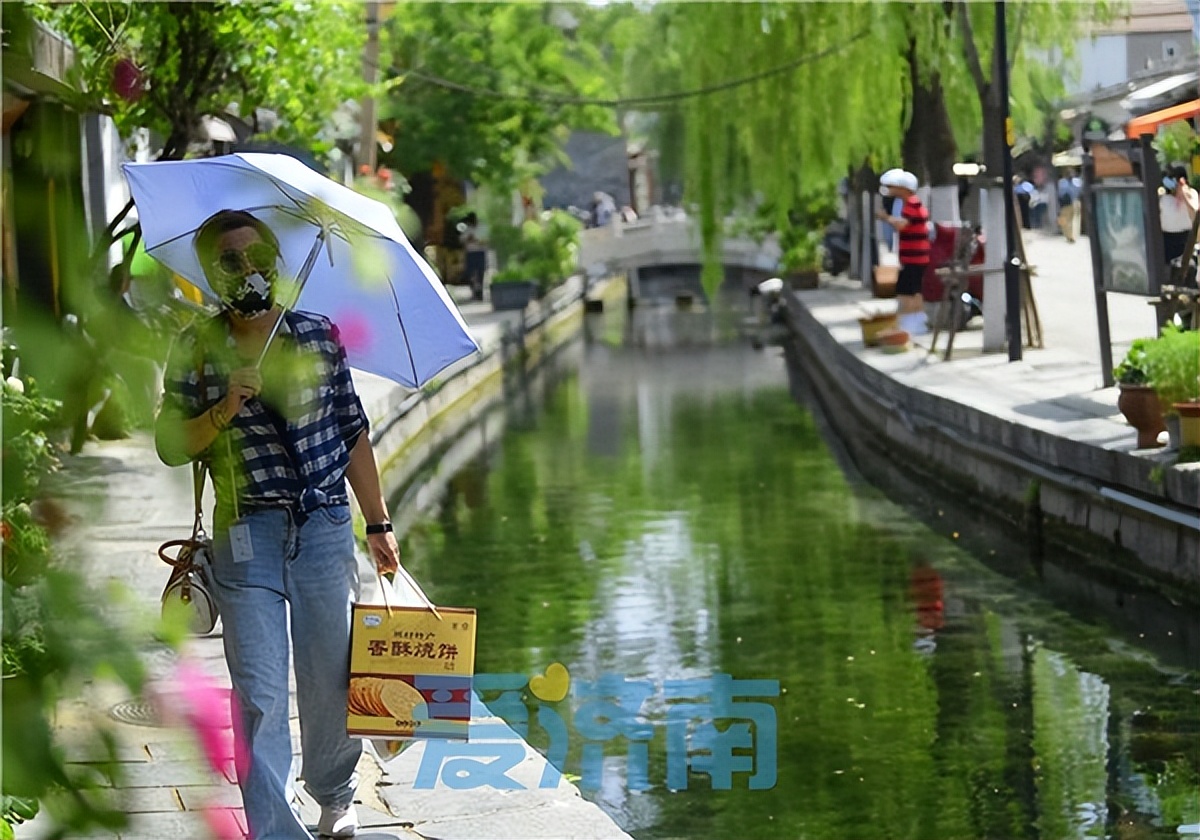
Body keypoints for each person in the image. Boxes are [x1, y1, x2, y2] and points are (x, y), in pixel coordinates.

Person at [155, 209, 400, 840]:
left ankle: (333, 793)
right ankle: (273, 828)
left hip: (321, 526)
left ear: (276, 264)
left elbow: (352, 433)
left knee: (329, 677)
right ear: (211, 276)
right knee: (260, 692)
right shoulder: (196, 347)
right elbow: (169, 444)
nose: (247, 272)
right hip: (246, 534)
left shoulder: (318, 335)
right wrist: (222, 408)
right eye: (229, 262)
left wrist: (379, 523)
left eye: (256, 257)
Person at [876, 169, 930, 327]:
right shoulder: (910, 204)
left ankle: (911, 324)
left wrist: (885, 217)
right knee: (913, 290)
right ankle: (914, 322)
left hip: (914, 257)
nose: (890, 190)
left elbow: (902, 225)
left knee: (907, 292)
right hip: (914, 257)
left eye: (892, 186)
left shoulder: (911, 204)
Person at [1159, 164, 1198, 267]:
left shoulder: (1191, 194)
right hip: (1166, 239)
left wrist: (1184, 195)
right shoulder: (1164, 198)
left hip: (1185, 239)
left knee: (1187, 268)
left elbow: (1194, 212)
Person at [460, 212, 487, 301]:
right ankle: (474, 291)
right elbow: (462, 240)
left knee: (480, 272)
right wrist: (468, 239)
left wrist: (476, 240)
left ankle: (480, 293)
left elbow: (486, 240)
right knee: (470, 273)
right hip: (470, 253)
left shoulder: (482, 228)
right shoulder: (467, 229)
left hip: (480, 251)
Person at [1056, 169, 1080, 243]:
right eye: (1069, 173)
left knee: (1075, 220)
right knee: (1065, 220)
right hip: (1066, 203)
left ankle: (1072, 236)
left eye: (1071, 173)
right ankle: (1068, 235)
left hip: (1075, 202)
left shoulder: (1077, 181)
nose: (1070, 175)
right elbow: (1060, 193)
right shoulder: (1062, 182)